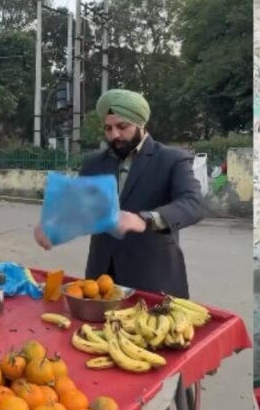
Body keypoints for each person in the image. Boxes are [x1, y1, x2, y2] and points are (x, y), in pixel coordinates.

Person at [36, 89, 204, 297]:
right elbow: (80, 208)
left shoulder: (172, 159)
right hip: (101, 277)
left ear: (141, 123)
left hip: (152, 278)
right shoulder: (94, 162)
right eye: (108, 128)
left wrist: (145, 220)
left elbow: (193, 203)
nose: (114, 135)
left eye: (122, 126)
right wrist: (54, 225)